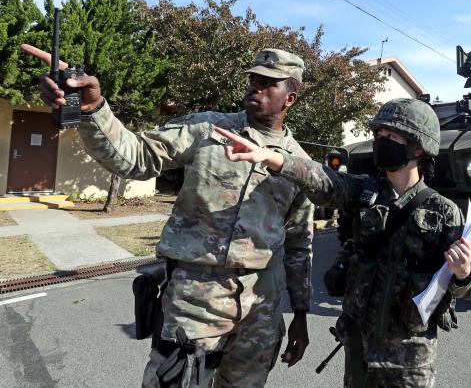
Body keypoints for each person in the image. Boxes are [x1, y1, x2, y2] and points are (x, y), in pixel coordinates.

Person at [22, 44, 315, 387]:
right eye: (253, 79)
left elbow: (299, 244)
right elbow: (135, 157)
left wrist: (300, 315)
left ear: (290, 98)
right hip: (194, 304)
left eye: (269, 83)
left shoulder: (300, 166)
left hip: (261, 312)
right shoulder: (208, 130)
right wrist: (93, 109)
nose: (256, 86)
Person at [214, 98, 471, 387]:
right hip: (358, 342)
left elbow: (468, 289)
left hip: (410, 353)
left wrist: (463, 273)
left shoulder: (444, 211)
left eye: (391, 136)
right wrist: (272, 157)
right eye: (378, 135)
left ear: (417, 147)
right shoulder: (363, 193)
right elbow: (320, 177)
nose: (381, 141)